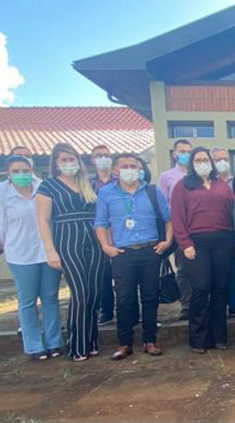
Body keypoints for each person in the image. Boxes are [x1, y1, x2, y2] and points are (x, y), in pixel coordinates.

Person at [94, 153, 173, 360]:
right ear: (115, 170)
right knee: (124, 299)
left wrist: (167, 241)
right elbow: (100, 223)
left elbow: (168, 219)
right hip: (122, 253)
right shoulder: (106, 193)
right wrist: (106, 246)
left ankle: (150, 340)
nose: (130, 169)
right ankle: (125, 343)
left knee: (150, 297)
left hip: (150, 251)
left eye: (134, 166)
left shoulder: (152, 191)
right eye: (125, 166)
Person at [0, 155, 62, 361]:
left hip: (48, 253)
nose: (22, 175)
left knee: (50, 298)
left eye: (25, 170)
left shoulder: (45, 189)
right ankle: (34, 345)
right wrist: (12, 242)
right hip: (20, 255)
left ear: (33, 170)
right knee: (28, 301)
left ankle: (54, 342)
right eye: (16, 171)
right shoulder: (2, 196)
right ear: (8, 174)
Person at [37, 143, 106, 362]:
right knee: (80, 293)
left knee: (95, 292)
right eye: (64, 159)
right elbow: (43, 220)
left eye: (72, 158)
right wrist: (50, 249)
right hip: (67, 240)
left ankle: (92, 340)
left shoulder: (89, 185)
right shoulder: (49, 186)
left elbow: (101, 215)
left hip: (93, 239)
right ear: (56, 163)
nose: (69, 163)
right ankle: (77, 344)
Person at [170, 147, 235, 353]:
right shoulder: (183, 186)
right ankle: (199, 338)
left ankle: (219, 336)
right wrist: (185, 243)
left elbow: (233, 213)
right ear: (192, 164)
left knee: (220, 288)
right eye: (197, 160)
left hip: (223, 241)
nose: (202, 163)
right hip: (196, 243)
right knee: (201, 288)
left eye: (205, 159)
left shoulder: (222, 185)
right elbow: (177, 217)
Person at [160, 139, 193, 321]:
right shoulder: (167, 176)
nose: (186, 154)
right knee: (183, 268)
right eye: (182, 151)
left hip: (197, 227)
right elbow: (163, 205)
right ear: (175, 153)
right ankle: (186, 305)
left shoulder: (197, 176)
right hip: (177, 227)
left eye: (189, 151)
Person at [211, 147, 235, 320]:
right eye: (217, 159)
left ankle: (234, 305)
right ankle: (219, 305)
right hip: (218, 231)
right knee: (218, 272)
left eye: (224, 158)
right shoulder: (210, 183)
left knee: (234, 270)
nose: (222, 162)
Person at [88, 144, 117, 327]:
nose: (103, 158)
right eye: (99, 155)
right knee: (103, 275)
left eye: (106, 155)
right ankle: (106, 310)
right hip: (99, 236)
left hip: (121, 233)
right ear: (93, 160)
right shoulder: (88, 184)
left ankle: (132, 311)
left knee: (127, 277)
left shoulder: (119, 181)